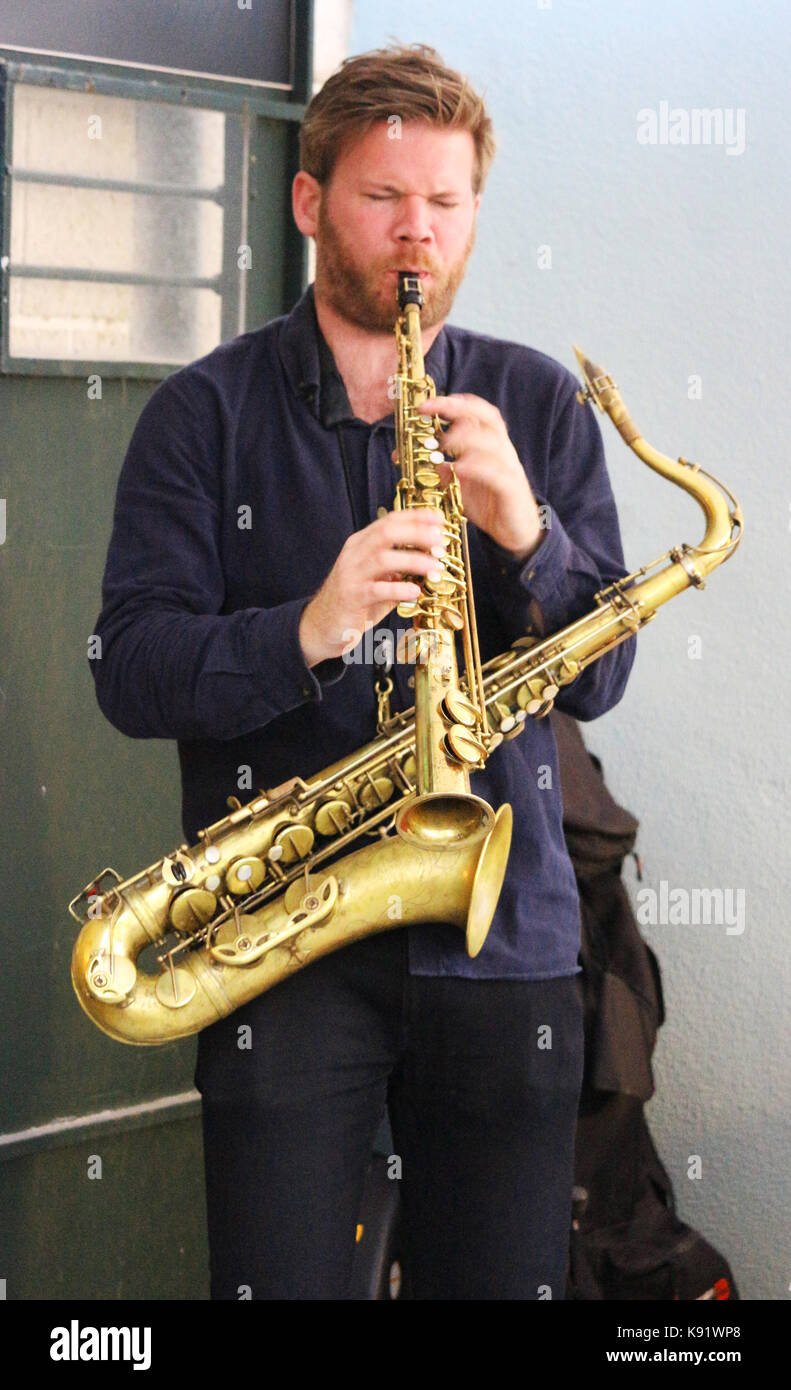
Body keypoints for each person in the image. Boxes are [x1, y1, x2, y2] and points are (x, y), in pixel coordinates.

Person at [91, 44, 636, 1300]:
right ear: (307, 202)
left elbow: (598, 684)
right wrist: (309, 625)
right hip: (286, 949)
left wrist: (528, 536)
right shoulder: (203, 416)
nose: (416, 236)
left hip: (503, 946)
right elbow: (130, 668)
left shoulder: (537, 404)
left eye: (445, 205)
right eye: (383, 199)